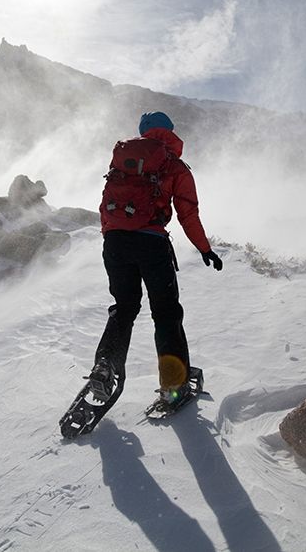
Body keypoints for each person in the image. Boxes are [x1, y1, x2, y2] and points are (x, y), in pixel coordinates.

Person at [88, 111, 222, 410]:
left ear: (143, 131)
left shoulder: (123, 160)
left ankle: (105, 365)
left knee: (124, 308)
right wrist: (204, 248)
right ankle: (174, 385)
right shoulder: (173, 165)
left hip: (115, 243)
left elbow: (105, 204)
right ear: (170, 131)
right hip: (152, 244)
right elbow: (188, 213)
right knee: (165, 313)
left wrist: (114, 239)